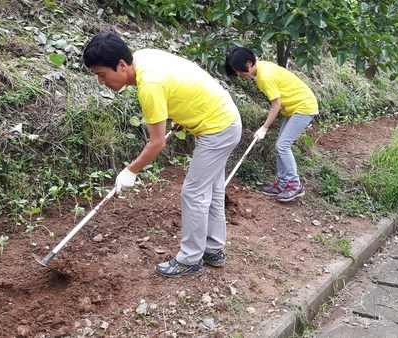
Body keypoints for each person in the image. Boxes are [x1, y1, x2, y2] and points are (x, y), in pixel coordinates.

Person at [83, 32, 242, 278]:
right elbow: (181, 84)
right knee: (212, 189)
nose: (100, 82)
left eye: (102, 74)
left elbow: (157, 143)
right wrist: (182, 115)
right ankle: (213, 250)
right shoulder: (143, 58)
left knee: (194, 192)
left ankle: (190, 260)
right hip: (224, 117)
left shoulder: (149, 86)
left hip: (218, 128)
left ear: (122, 65)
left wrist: (131, 170)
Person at [225, 47, 319, 202]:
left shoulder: (265, 77)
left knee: (283, 145)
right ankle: (283, 184)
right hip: (294, 108)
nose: (239, 74)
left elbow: (276, 105)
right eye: (235, 72)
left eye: (239, 70)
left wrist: (264, 128)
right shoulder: (261, 69)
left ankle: (295, 185)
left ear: (249, 63)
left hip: (303, 107)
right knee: (280, 146)